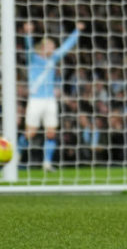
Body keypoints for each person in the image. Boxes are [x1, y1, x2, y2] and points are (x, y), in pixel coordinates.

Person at [23, 20, 84, 171]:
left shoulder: (53, 59)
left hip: (50, 100)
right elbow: (28, 47)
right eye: (51, 46)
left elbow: (66, 47)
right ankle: (15, 156)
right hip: (36, 100)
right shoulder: (33, 58)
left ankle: (47, 163)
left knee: (51, 133)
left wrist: (77, 31)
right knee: (30, 132)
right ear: (43, 47)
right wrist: (28, 33)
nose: (54, 48)